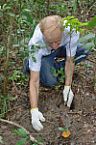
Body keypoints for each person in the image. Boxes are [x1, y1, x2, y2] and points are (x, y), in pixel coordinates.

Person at [23, 15, 89, 131]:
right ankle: (32, 64)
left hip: (62, 48)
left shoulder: (71, 30)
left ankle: (50, 67)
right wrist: (34, 110)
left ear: (63, 32)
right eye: (50, 42)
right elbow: (34, 81)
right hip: (45, 54)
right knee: (50, 81)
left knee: (84, 50)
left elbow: (70, 60)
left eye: (57, 41)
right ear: (44, 36)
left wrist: (68, 86)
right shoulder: (36, 43)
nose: (54, 45)